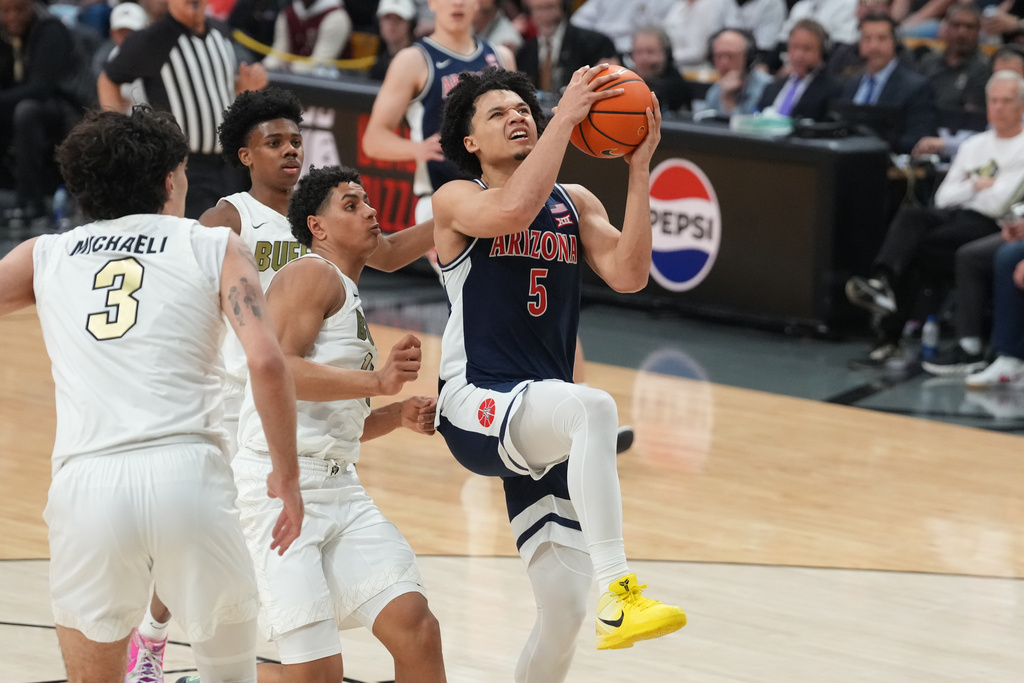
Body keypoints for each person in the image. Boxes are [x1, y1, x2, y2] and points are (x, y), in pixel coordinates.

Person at [124, 86, 437, 681]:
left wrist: (450, 217)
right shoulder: (231, 216)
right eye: (275, 142)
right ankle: (154, 635)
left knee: (232, 557)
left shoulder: (322, 231)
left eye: (297, 140)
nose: (291, 150)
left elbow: (389, 250)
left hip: (302, 407)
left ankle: (229, 651)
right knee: (198, 533)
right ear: (245, 155)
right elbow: (177, 264)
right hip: (233, 394)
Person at [0, 106, 302, 682]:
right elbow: (266, 361)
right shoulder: (213, 245)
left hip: (87, 486)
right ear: (169, 179)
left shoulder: (44, 255)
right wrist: (285, 476)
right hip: (189, 477)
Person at [432, 66, 685, 682]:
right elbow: (515, 211)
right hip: (477, 401)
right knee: (593, 406)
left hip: (539, 419)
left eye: (524, 108)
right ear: (470, 143)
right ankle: (621, 589)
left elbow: (629, 274)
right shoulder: (456, 199)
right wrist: (568, 116)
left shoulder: (575, 202)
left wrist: (638, 167)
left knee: (564, 611)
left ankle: (597, 602)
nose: (517, 115)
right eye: (497, 114)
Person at [227, 164, 445, 682]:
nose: (370, 211)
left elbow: (327, 415)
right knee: (316, 674)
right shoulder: (310, 273)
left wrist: (394, 415)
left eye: (367, 202)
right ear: (317, 227)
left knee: (416, 628)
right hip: (281, 491)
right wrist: (380, 383)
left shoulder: (346, 292)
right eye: (351, 205)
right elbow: (278, 372)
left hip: (341, 487)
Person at [846, 70, 1024, 366]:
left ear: (1021, 106)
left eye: (1007, 101)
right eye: (993, 101)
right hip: (954, 215)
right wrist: (975, 185)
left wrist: (967, 187)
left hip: (991, 224)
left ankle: (889, 337)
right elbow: (944, 196)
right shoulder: (973, 145)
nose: (999, 107)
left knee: (919, 248)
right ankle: (882, 280)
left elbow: (998, 202)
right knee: (912, 215)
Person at [98, 0, 270, 219]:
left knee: (230, 238)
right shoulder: (153, 39)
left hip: (228, 164)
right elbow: (108, 79)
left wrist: (244, 89)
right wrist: (117, 131)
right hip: (185, 165)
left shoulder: (221, 31)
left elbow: (219, 93)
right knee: (201, 239)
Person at [363, 0, 515, 224]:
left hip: (497, 196)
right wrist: (418, 149)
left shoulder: (502, 57)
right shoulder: (412, 60)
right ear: (431, 3)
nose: (457, 3)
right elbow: (373, 140)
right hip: (441, 199)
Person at [0, 0, 81, 225]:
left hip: (65, 107)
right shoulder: (5, 35)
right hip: (23, 105)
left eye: (18, 9)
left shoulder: (50, 29)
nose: (11, 17)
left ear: (31, 7)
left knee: (26, 112)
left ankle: (31, 203)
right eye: (5, 11)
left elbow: (41, 87)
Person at [833, 12, 937, 154]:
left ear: (895, 43)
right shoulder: (849, 85)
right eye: (867, 39)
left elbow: (917, 138)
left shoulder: (915, 87)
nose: (874, 46)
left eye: (882, 38)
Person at [914, 3, 989, 135]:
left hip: (958, 136)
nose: (962, 32)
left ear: (979, 31)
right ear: (946, 27)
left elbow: (971, 117)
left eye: (969, 27)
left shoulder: (985, 68)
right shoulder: (928, 61)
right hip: (921, 129)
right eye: (956, 25)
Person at [515, 0, 618, 95]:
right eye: (538, 9)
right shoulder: (524, 53)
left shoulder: (595, 43)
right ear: (529, 13)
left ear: (563, 8)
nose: (545, 16)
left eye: (550, 7)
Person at [757, 19, 841, 121]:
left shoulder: (832, 90)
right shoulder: (772, 87)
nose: (798, 55)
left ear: (822, 52)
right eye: (794, 47)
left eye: (807, 49)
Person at [695, 28, 771, 117]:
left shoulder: (767, 89)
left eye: (731, 56)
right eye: (719, 56)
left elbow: (751, 129)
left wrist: (729, 100)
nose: (724, 63)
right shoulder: (715, 91)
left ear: (748, 60)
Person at [261, 0, 352, 74]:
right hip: (292, 80)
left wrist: (286, 67)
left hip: (333, 84)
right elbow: (278, 53)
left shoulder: (336, 16)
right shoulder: (288, 14)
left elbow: (321, 62)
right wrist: (262, 68)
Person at [629, 25, 692, 113]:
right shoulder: (626, 81)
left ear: (666, 54)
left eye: (650, 52)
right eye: (638, 52)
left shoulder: (677, 87)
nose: (643, 59)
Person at [369, 0, 417, 82]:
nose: (392, 23)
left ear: (410, 24)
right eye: (387, 18)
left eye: (399, 18)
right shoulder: (377, 64)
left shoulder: (419, 62)